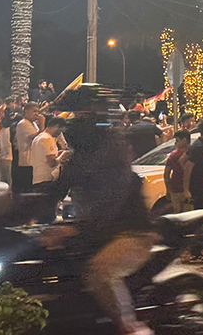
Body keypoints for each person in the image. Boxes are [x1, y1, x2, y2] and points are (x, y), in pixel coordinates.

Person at [43, 116, 156, 335]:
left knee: (99, 272)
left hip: (131, 233)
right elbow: (51, 195)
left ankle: (130, 327)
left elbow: (108, 209)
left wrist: (75, 228)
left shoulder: (113, 164)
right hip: (96, 234)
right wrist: (5, 214)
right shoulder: (77, 163)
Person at [31, 116, 68, 222]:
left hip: (38, 178)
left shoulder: (39, 137)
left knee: (41, 215)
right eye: (60, 130)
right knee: (47, 216)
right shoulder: (47, 139)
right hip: (46, 181)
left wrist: (58, 154)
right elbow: (52, 163)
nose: (60, 134)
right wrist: (63, 155)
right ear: (56, 126)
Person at [182, 120, 203, 211]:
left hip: (200, 186)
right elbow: (188, 167)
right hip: (198, 187)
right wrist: (186, 189)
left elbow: (182, 160)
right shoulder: (200, 148)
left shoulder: (197, 144)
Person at [14, 102, 42, 191]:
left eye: (38, 112)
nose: (37, 114)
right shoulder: (23, 123)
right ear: (26, 111)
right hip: (27, 162)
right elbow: (37, 138)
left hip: (34, 161)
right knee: (27, 189)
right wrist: (42, 124)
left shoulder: (33, 124)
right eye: (34, 111)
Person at [164, 129, 190, 213]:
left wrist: (168, 189)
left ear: (184, 140)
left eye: (177, 140)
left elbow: (166, 173)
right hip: (190, 188)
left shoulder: (173, 155)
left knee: (177, 213)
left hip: (175, 189)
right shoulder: (193, 153)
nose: (175, 143)